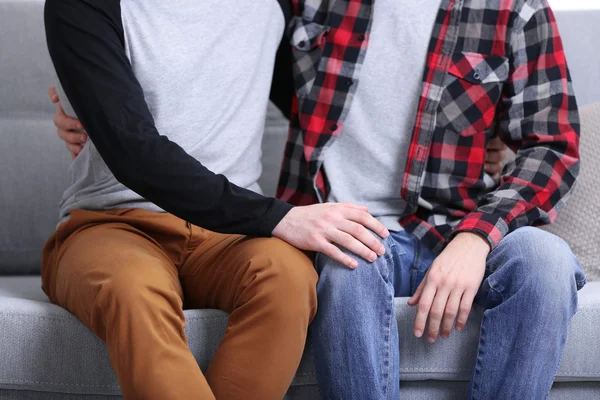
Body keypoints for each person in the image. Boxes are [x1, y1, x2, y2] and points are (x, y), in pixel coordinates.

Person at [42, 1, 393, 399]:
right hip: (111, 222)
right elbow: (132, 150)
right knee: (132, 288)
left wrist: (481, 143)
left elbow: (333, 102)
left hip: (230, 235)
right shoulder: (82, 6)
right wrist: (279, 217)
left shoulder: (275, 6)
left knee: (289, 278)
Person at [274, 0, 587, 398]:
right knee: (346, 265)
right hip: (349, 227)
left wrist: (476, 238)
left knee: (546, 261)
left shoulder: (514, 8)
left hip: (461, 223)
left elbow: (552, 148)